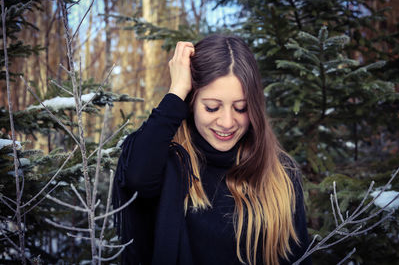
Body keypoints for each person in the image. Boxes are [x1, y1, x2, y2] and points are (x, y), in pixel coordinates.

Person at [113, 34, 312, 265]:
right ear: (190, 103)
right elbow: (136, 176)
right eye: (212, 107)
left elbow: (298, 258)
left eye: (241, 108)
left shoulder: (281, 174)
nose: (227, 122)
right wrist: (177, 90)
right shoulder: (169, 160)